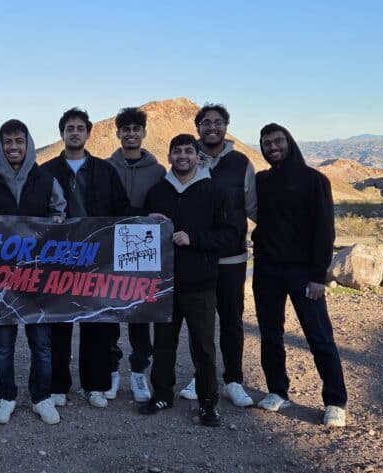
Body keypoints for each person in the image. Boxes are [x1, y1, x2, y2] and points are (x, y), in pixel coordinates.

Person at [139, 134, 246, 427]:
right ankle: (162, 394)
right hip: (164, 284)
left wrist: (194, 239)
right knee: (162, 343)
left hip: (201, 283)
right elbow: (140, 234)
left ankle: (208, 402)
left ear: (197, 156)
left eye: (188, 151)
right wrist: (149, 222)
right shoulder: (158, 191)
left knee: (203, 346)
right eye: (177, 151)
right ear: (169, 156)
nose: (182, 156)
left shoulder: (214, 191)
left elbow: (230, 235)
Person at [0, 119, 66, 425]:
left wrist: (57, 221)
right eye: (7, 142)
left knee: (41, 343)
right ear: (0, 145)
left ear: (28, 144)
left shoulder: (47, 180)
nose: (13, 147)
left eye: (19, 141)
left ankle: (42, 397)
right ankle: (6, 395)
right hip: (2, 281)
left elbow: (61, 212)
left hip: (38, 278)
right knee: (3, 344)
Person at [252, 123, 348, 427]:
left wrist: (319, 276)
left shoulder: (314, 180)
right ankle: (277, 391)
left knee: (319, 336)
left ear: (289, 142)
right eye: (266, 143)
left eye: (277, 141)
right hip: (266, 269)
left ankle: (335, 401)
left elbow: (325, 230)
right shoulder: (262, 180)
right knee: (270, 334)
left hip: (303, 272)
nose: (272, 147)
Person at [41, 107, 133, 408]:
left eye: (80, 127)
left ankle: (96, 385)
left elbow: (121, 210)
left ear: (88, 133)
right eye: (70, 128)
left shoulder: (106, 171)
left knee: (96, 323)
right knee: (59, 325)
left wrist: (148, 220)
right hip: (59, 260)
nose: (75, 132)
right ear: (62, 133)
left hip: (97, 260)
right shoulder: (46, 172)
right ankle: (58, 386)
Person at [178, 104, 257, 408]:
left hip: (231, 257)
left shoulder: (241, 164)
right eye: (206, 123)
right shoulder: (186, 159)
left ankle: (234, 379)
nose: (212, 127)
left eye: (218, 122)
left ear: (226, 126)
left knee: (232, 320)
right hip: (196, 256)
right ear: (198, 127)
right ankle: (201, 375)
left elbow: (253, 208)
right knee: (200, 323)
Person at [106, 106, 165, 403]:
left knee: (140, 314)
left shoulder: (158, 171)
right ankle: (112, 372)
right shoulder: (105, 167)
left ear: (144, 133)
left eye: (136, 128)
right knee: (111, 313)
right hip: (109, 248)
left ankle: (139, 374)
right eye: (125, 128)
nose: (131, 133)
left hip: (144, 251)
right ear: (117, 133)